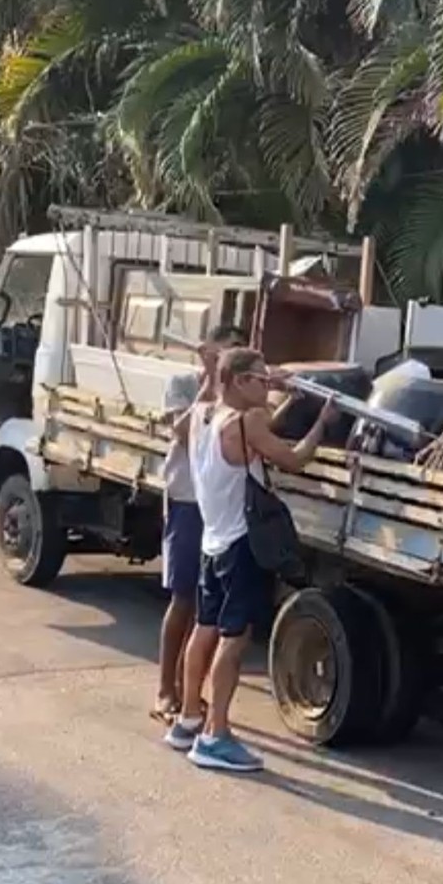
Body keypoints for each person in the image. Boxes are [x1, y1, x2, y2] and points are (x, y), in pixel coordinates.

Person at [165, 347, 334, 771]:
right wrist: (321, 423)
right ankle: (215, 735)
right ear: (239, 381)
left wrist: (280, 391)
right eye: (260, 379)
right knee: (233, 640)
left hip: (212, 541)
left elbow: (239, 442)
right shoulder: (247, 422)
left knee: (204, 630)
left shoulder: (202, 416)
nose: (267, 384)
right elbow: (294, 459)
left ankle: (187, 719)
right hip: (241, 544)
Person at [153, 323, 246, 723]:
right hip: (188, 502)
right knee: (183, 598)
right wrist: (210, 382)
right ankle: (165, 691)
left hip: (223, 511)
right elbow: (181, 431)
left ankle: (192, 693)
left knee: (210, 612)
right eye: (227, 351)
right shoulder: (184, 384)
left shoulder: (240, 399)